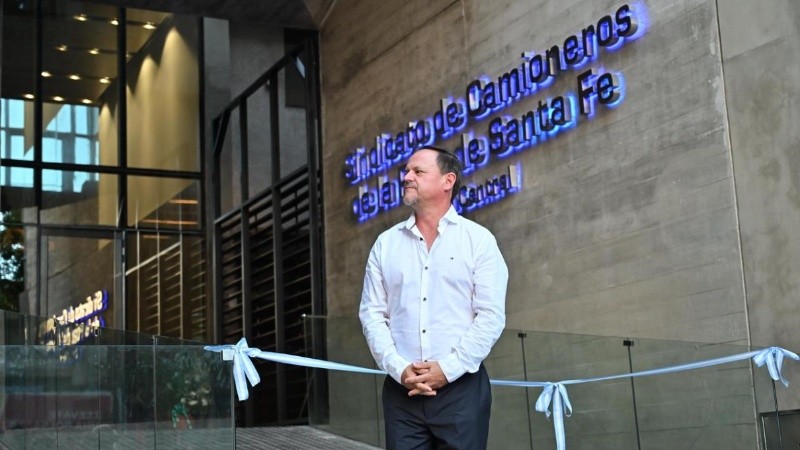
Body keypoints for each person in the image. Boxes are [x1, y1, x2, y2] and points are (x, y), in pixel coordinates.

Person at [359, 146, 509, 449]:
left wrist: (447, 369)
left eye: (418, 171)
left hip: (461, 392)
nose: (406, 177)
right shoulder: (385, 244)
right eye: (406, 171)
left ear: (447, 181)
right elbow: (372, 314)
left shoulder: (479, 241)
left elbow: (490, 316)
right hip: (402, 393)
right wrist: (398, 368)